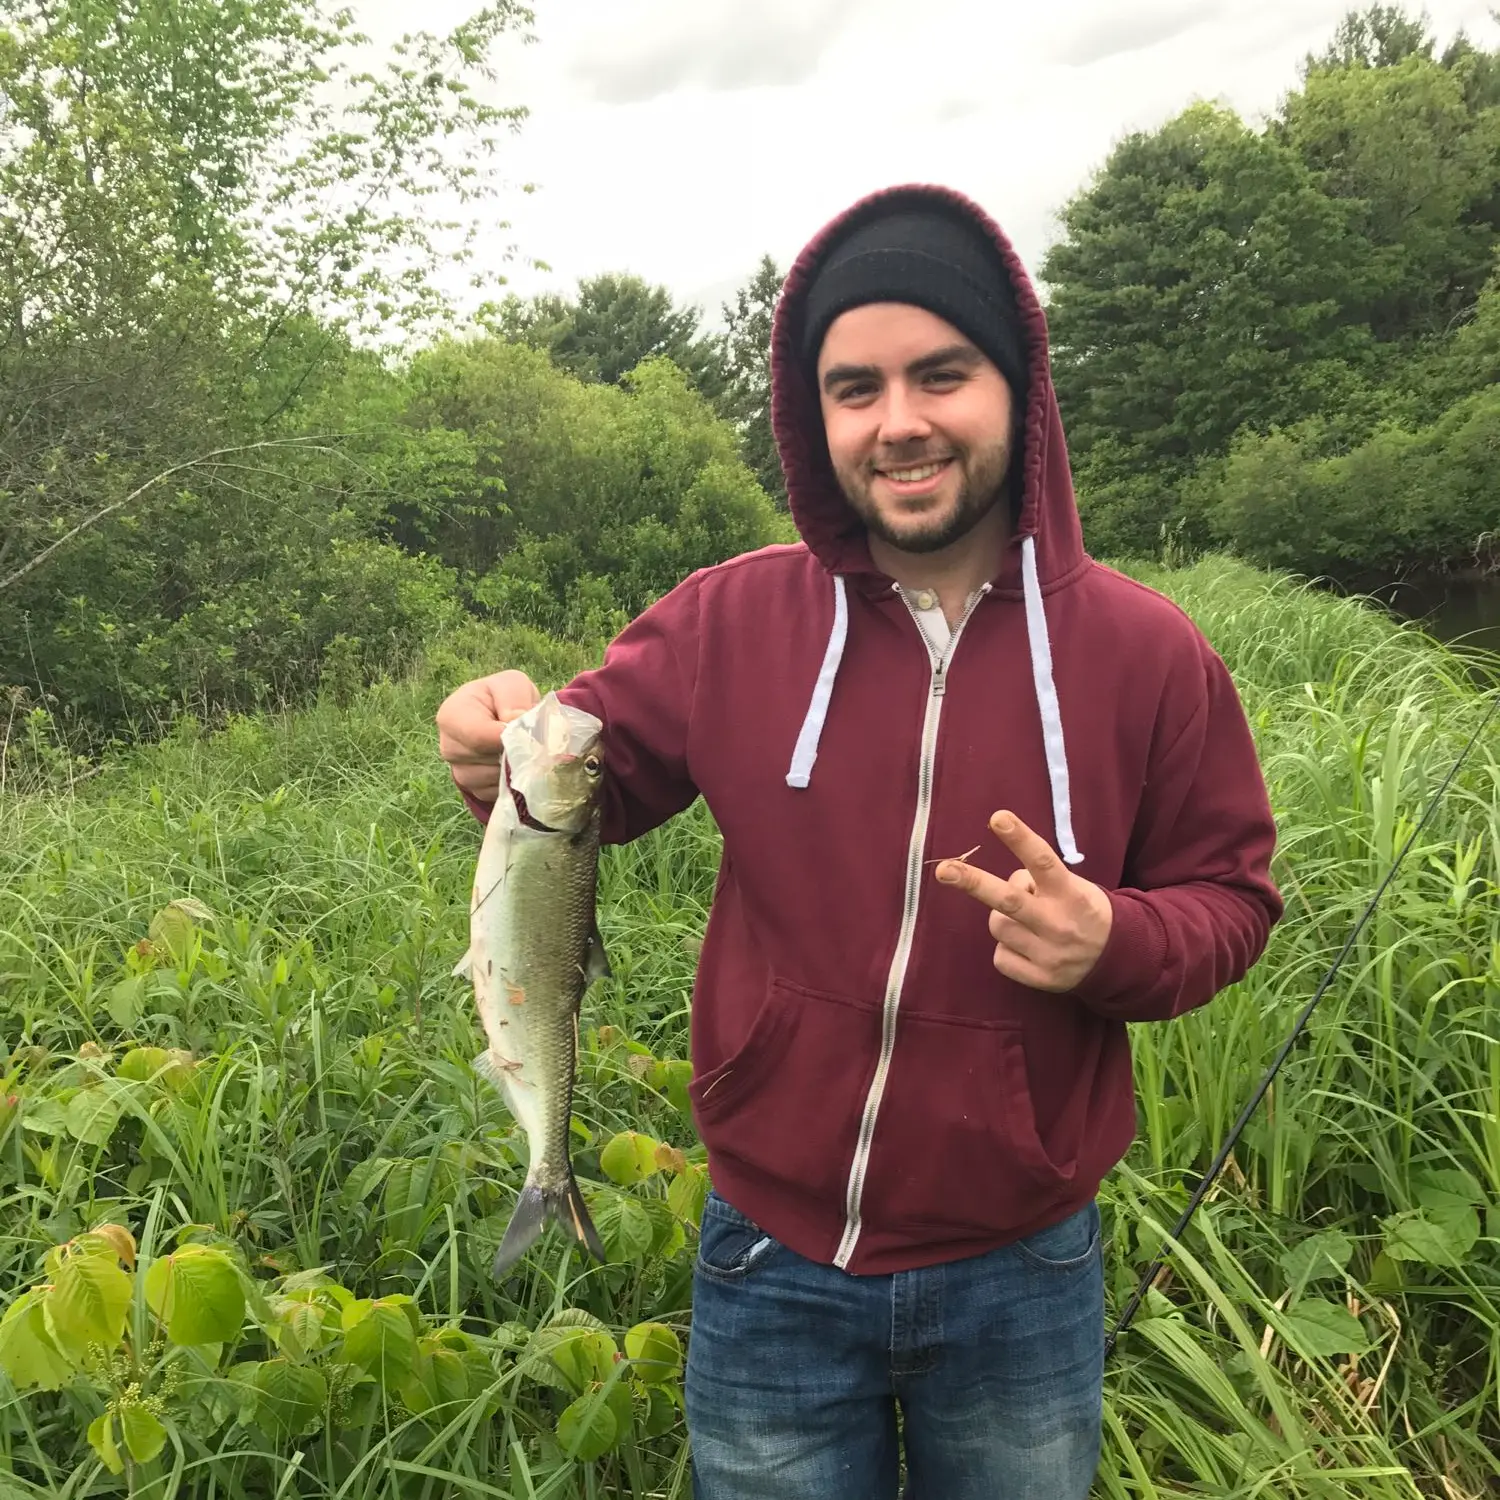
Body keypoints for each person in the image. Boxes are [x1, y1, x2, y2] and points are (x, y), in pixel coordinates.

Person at [437, 184, 1283, 1500]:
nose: (899, 423)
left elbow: (1232, 898)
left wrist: (1117, 940)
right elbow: (572, 775)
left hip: (1025, 1269)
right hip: (768, 1260)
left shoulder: (1146, 657)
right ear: (811, 412)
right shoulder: (729, 624)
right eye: (855, 388)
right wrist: (491, 736)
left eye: (941, 374)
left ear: (1018, 386)